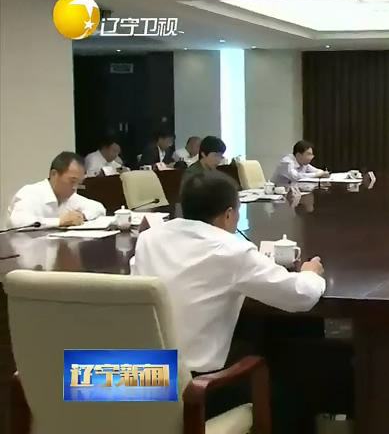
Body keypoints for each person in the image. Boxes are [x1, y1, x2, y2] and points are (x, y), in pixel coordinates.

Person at [131, 170, 326, 430]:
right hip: (194, 390)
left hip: (141, 377)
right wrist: (310, 274)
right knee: (292, 391)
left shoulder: (149, 239)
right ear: (228, 214)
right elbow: (300, 296)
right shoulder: (231, 249)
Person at [6, 152, 106, 228]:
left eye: (79, 183)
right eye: (72, 181)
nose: (74, 188)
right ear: (54, 174)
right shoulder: (30, 193)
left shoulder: (70, 197)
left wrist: (81, 215)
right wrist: (59, 222)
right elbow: (17, 222)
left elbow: (99, 208)